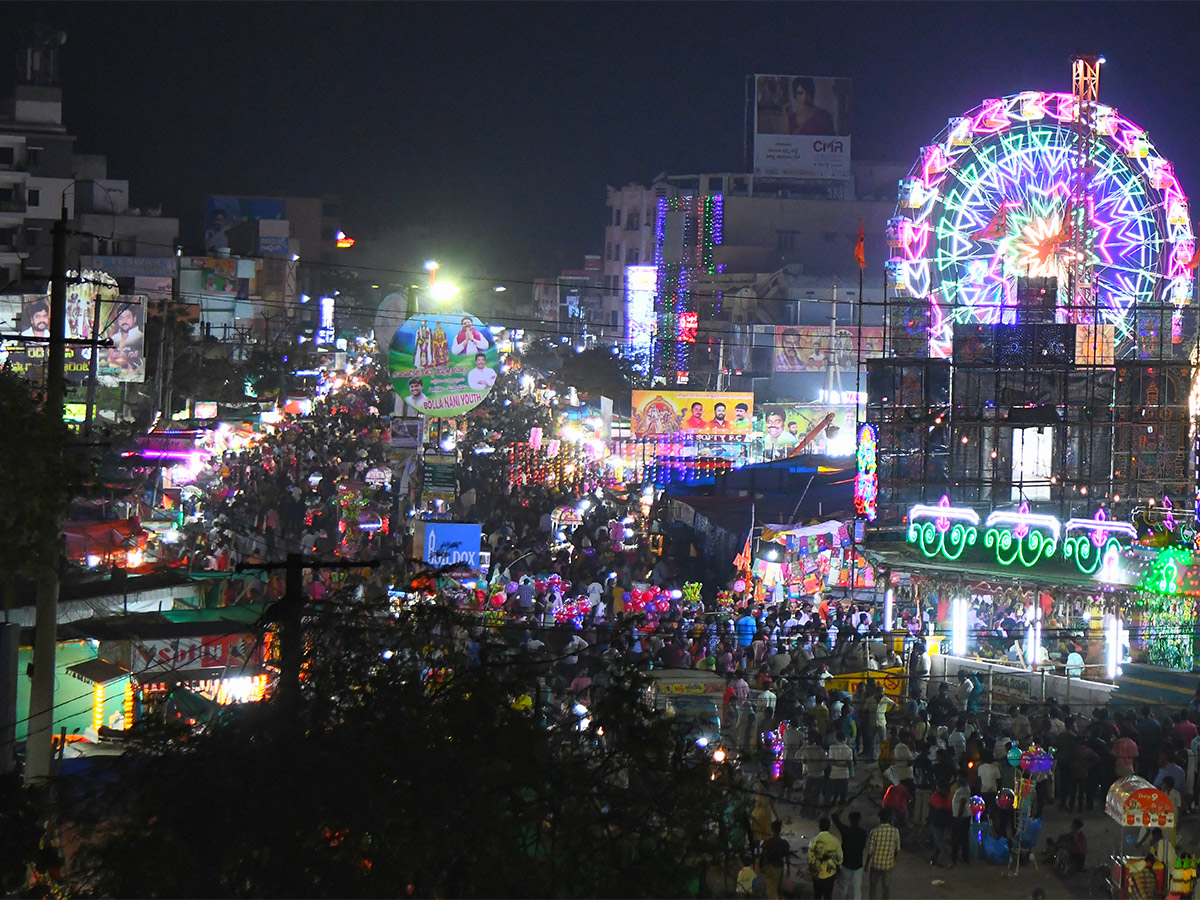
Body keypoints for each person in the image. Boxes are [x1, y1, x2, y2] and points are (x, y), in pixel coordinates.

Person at [864, 809, 900, 900]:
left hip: (876, 864)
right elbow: (897, 849)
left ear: (879, 819)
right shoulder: (895, 831)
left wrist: (867, 863)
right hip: (888, 865)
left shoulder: (874, 831)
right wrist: (894, 860)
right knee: (886, 888)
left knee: (873, 888)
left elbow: (870, 850)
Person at [832, 809, 867, 900]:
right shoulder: (863, 832)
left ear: (849, 819)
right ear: (859, 819)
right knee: (857, 887)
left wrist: (840, 808)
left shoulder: (846, 831)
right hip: (858, 863)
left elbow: (834, 818)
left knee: (844, 885)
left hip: (846, 862)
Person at [809, 817, 844, 900]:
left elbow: (811, 859)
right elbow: (840, 858)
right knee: (828, 896)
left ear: (819, 826)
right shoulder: (835, 840)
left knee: (817, 895)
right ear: (829, 826)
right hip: (830, 874)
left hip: (817, 874)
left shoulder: (814, 841)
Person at [759, 818, 792, 900]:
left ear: (772, 830)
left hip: (770, 867)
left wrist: (761, 866)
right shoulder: (783, 843)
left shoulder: (767, 842)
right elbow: (787, 857)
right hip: (780, 867)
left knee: (771, 891)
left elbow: (762, 855)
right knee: (777, 889)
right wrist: (788, 869)